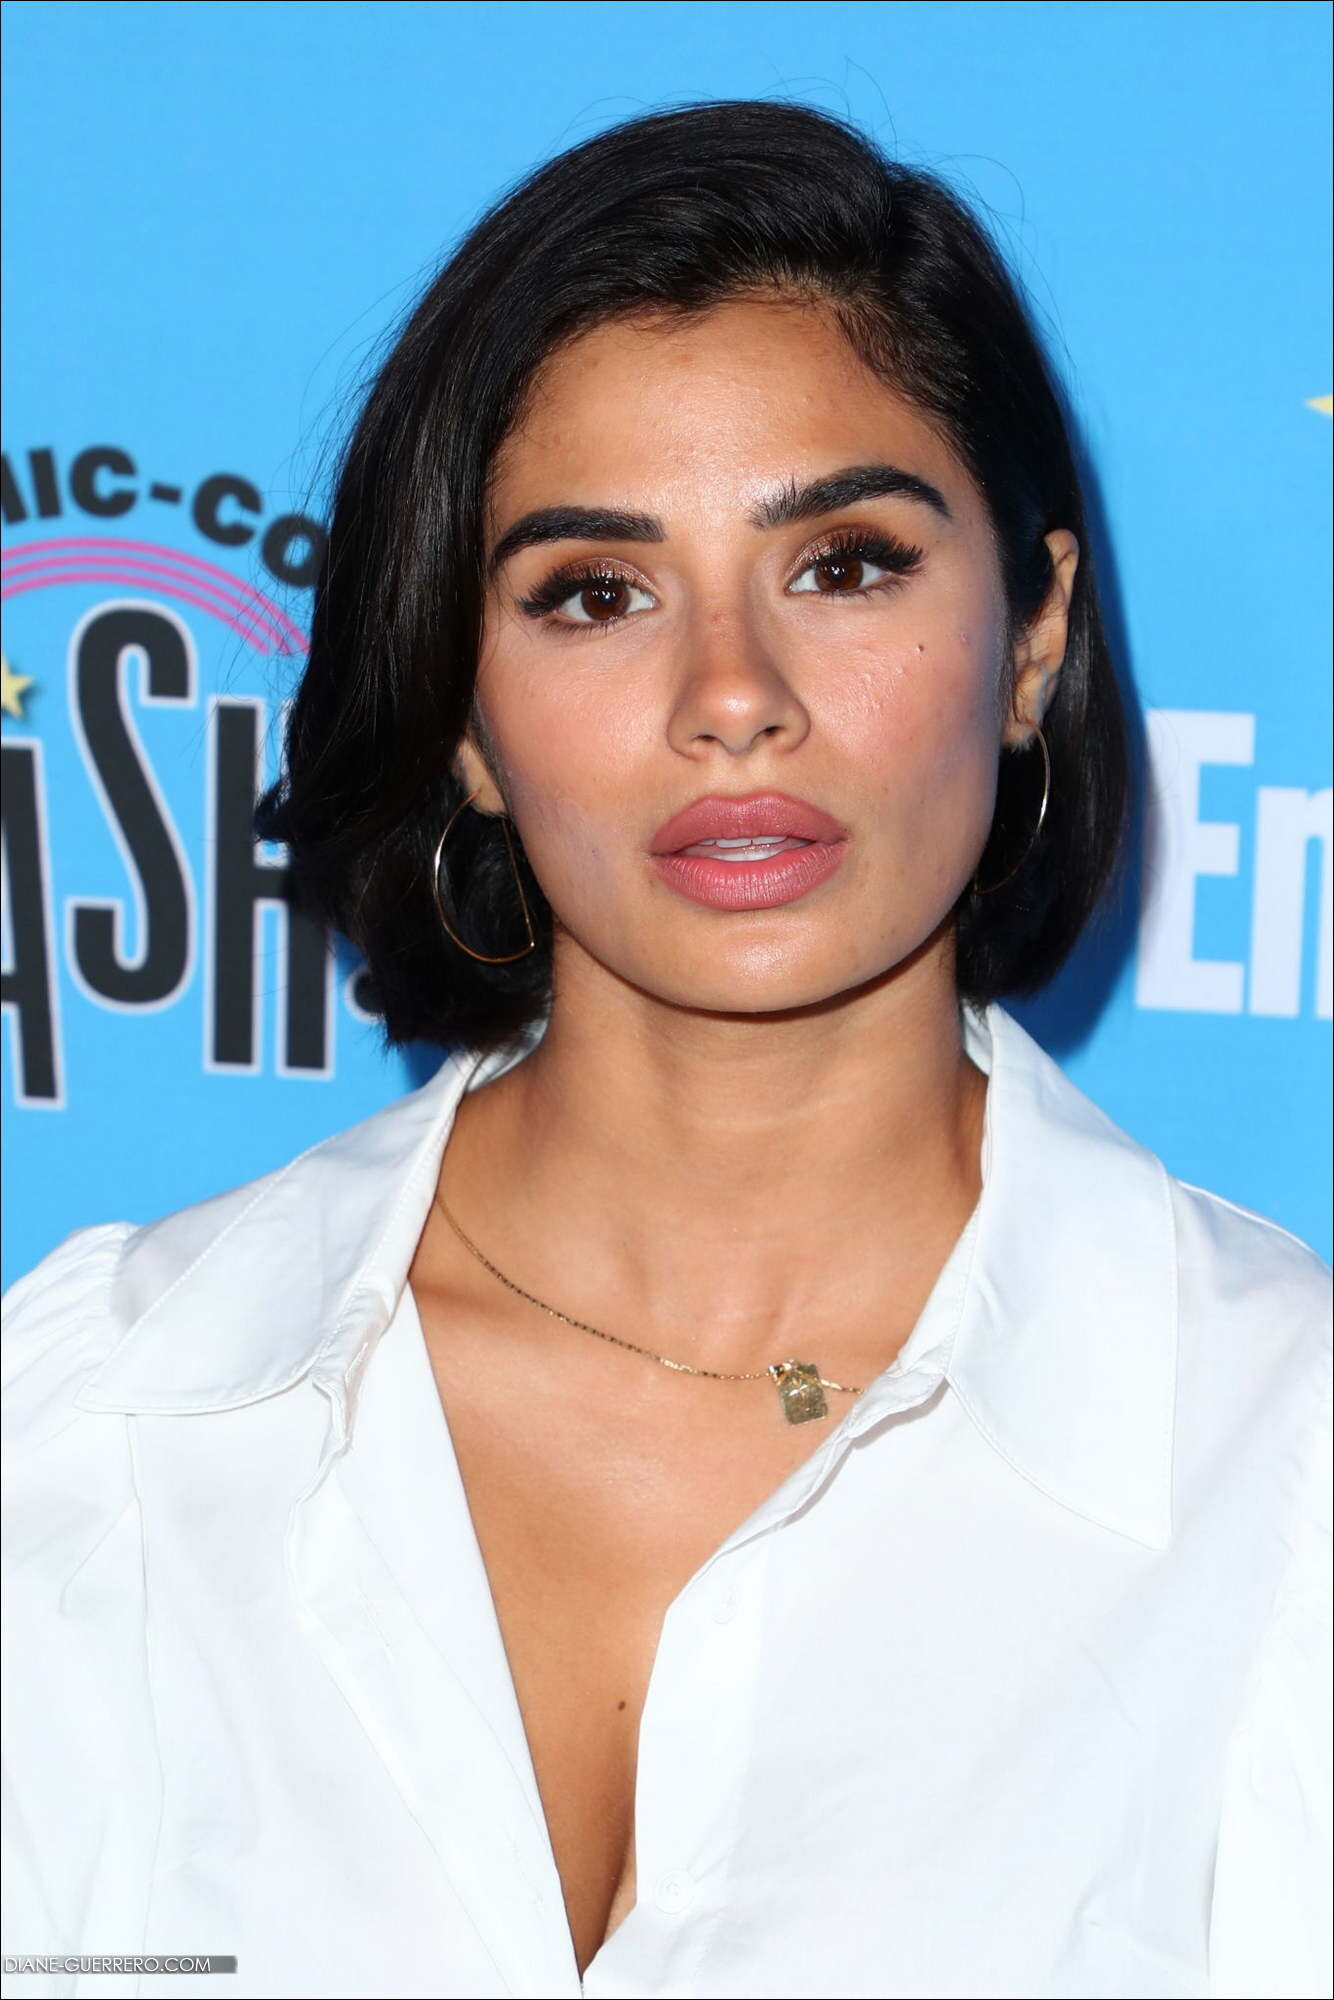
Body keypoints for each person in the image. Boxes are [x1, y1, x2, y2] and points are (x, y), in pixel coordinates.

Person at [3, 99, 1329, 2000]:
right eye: (593, 593)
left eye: (843, 564)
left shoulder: (1281, 1471)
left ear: (1032, 636)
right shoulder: (99, 1430)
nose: (731, 697)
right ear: (463, 714)